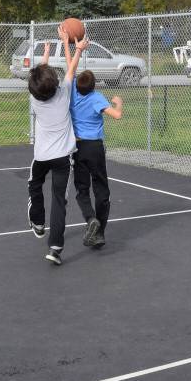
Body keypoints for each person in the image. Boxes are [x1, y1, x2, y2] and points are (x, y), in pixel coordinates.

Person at [27, 27, 87, 266]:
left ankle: (38, 221)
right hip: (62, 157)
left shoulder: (34, 98)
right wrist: (73, 46)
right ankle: (55, 247)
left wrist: (46, 53)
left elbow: (39, 80)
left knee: (34, 185)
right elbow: (71, 68)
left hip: (42, 157)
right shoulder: (63, 95)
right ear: (54, 84)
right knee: (59, 200)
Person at [70, 66, 123, 248]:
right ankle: (99, 233)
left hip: (78, 147)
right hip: (95, 148)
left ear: (77, 85)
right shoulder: (96, 98)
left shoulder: (73, 95)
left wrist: (70, 45)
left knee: (82, 189)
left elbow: (71, 68)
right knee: (101, 190)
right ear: (94, 86)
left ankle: (90, 218)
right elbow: (117, 115)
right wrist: (118, 103)